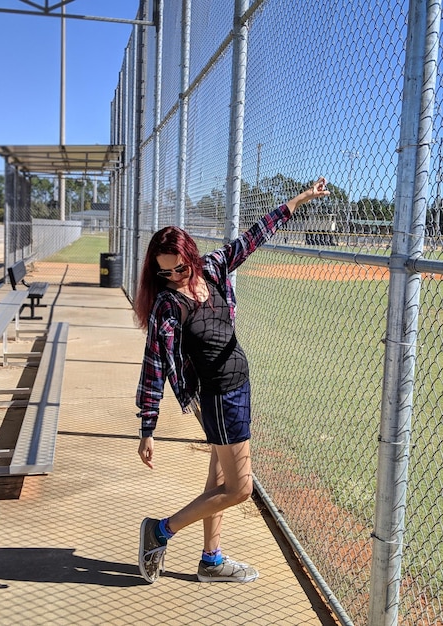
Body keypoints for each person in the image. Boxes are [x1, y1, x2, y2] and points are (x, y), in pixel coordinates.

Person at [134, 176, 330, 584]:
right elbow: (153, 365)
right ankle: (160, 530)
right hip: (219, 398)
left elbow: (256, 234)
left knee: (219, 478)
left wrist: (303, 198)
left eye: (180, 268)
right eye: (164, 273)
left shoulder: (215, 267)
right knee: (240, 489)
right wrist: (147, 427)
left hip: (240, 386)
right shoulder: (169, 307)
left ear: (191, 256)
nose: (173, 277)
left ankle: (212, 560)